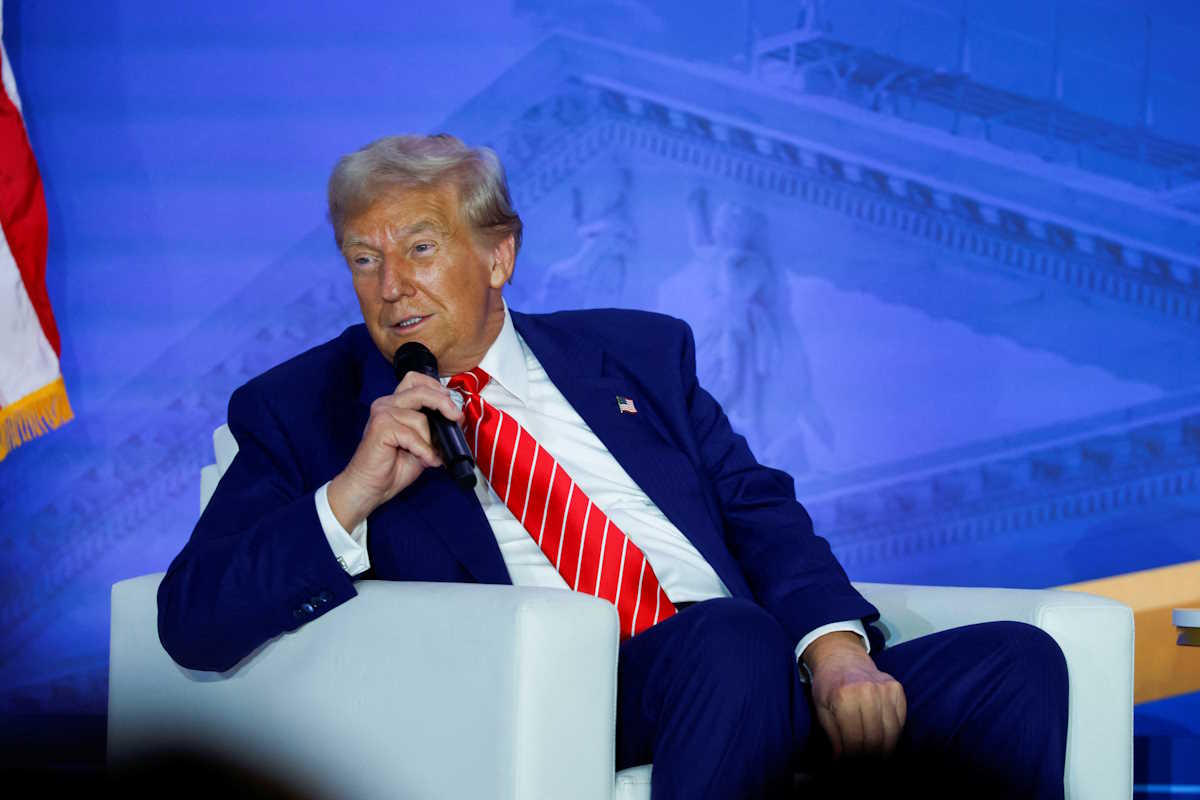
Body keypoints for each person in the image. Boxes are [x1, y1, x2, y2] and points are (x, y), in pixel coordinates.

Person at [157, 134, 1068, 799]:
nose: (390, 285)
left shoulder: (637, 355)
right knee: (731, 640)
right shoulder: (305, 407)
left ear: (499, 253)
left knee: (1015, 663)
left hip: (748, 667)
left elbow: (757, 509)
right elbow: (191, 621)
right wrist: (350, 496)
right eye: (364, 259)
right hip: (568, 685)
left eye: (420, 248)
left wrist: (832, 652)